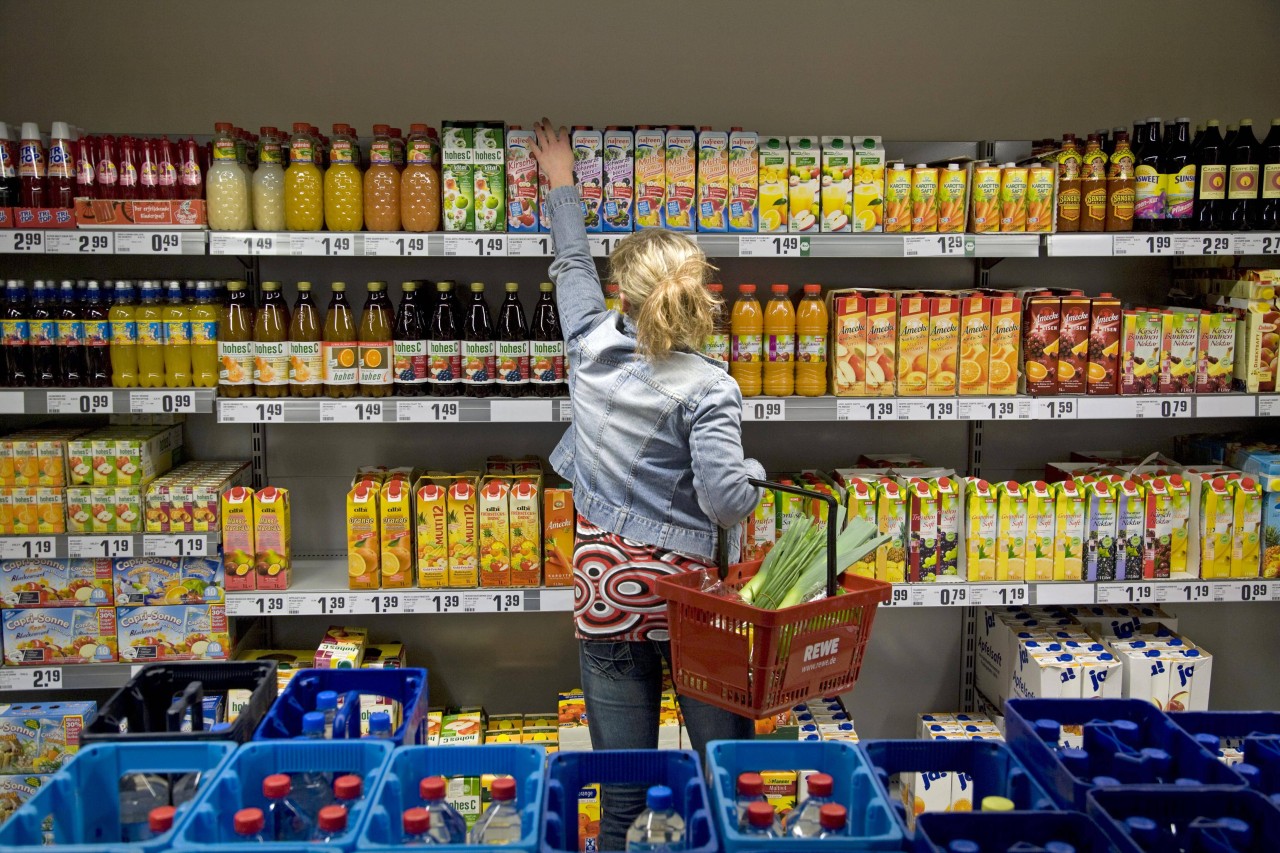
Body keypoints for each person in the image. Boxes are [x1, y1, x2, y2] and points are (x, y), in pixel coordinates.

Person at [531, 118, 762, 849]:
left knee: (623, 788)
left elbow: (570, 263)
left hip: (606, 592)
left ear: (621, 298)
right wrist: (755, 478)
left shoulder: (589, 344)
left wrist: (562, 182)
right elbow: (727, 499)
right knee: (724, 776)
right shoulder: (710, 386)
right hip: (692, 604)